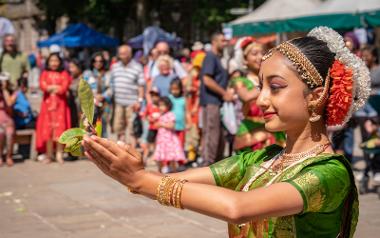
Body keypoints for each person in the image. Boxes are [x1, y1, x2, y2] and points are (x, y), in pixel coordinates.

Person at [82, 26, 369, 237]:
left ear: (315, 96)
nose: (261, 99)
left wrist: (141, 179)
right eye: (260, 87)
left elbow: (238, 207)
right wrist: (123, 165)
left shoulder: (329, 174)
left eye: (276, 87)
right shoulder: (260, 160)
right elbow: (166, 182)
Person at [230, 37, 285, 152]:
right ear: (245, 60)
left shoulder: (272, 78)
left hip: (274, 129)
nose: (260, 57)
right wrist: (268, 83)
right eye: (254, 54)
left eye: (262, 53)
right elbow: (246, 96)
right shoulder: (240, 81)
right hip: (251, 132)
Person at [200, 32, 234, 166]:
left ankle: (216, 166)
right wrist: (224, 93)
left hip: (218, 102)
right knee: (212, 136)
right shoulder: (210, 56)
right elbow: (207, 80)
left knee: (220, 136)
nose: (225, 43)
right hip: (211, 102)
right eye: (222, 41)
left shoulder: (219, 58)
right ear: (214, 42)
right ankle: (207, 166)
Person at [36, 53, 72, 164]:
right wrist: (53, 87)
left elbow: (64, 87)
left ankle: (59, 154)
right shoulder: (45, 73)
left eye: (56, 61)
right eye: (51, 61)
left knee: (60, 130)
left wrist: (52, 88)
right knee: (48, 130)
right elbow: (43, 86)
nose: (54, 63)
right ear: (48, 62)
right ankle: (49, 154)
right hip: (47, 107)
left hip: (60, 107)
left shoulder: (64, 73)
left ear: (60, 62)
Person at [110, 45, 145, 145]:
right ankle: (121, 148)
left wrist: (140, 100)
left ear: (130, 54)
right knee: (118, 127)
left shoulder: (137, 67)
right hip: (118, 102)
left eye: (124, 53)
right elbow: (112, 83)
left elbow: (141, 85)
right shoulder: (115, 66)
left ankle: (132, 150)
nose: (121, 56)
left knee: (132, 129)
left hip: (132, 103)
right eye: (120, 53)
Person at [152, 97, 186, 173]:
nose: (161, 107)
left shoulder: (170, 114)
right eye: (159, 105)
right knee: (160, 157)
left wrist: (161, 124)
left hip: (169, 139)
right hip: (161, 139)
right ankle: (160, 171)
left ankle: (174, 172)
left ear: (168, 106)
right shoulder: (160, 115)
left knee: (171, 157)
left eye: (163, 105)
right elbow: (155, 125)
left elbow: (172, 126)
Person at [83, 52, 112, 137]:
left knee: (103, 127)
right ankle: (88, 148)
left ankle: (101, 149)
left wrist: (103, 96)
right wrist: (94, 96)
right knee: (88, 127)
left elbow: (111, 88)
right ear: (92, 62)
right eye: (95, 61)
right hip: (90, 104)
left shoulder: (107, 74)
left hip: (104, 104)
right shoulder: (88, 73)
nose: (98, 63)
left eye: (100, 61)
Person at [0, 79, 15, 166]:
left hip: (8, 120)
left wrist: (4, 90)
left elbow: (9, 103)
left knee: (9, 134)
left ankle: (9, 156)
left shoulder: (13, 93)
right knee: (0, 133)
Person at [168, 78, 186, 147]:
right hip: (171, 126)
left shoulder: (183, 99)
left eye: (176, 89)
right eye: (172, 89)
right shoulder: (169, 98)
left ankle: (180, 157)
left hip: (181, 125)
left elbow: (186, 111)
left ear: (181, 89)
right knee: (172, 143)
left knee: (180, 144)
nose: (174, 91)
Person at [68, 59, 83, 128]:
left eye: (73, 67)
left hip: (80, 111)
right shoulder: (71, 78)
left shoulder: (83, 79)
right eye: (69, 67)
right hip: (73, 111)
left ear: (79, 68)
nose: (70, 70)